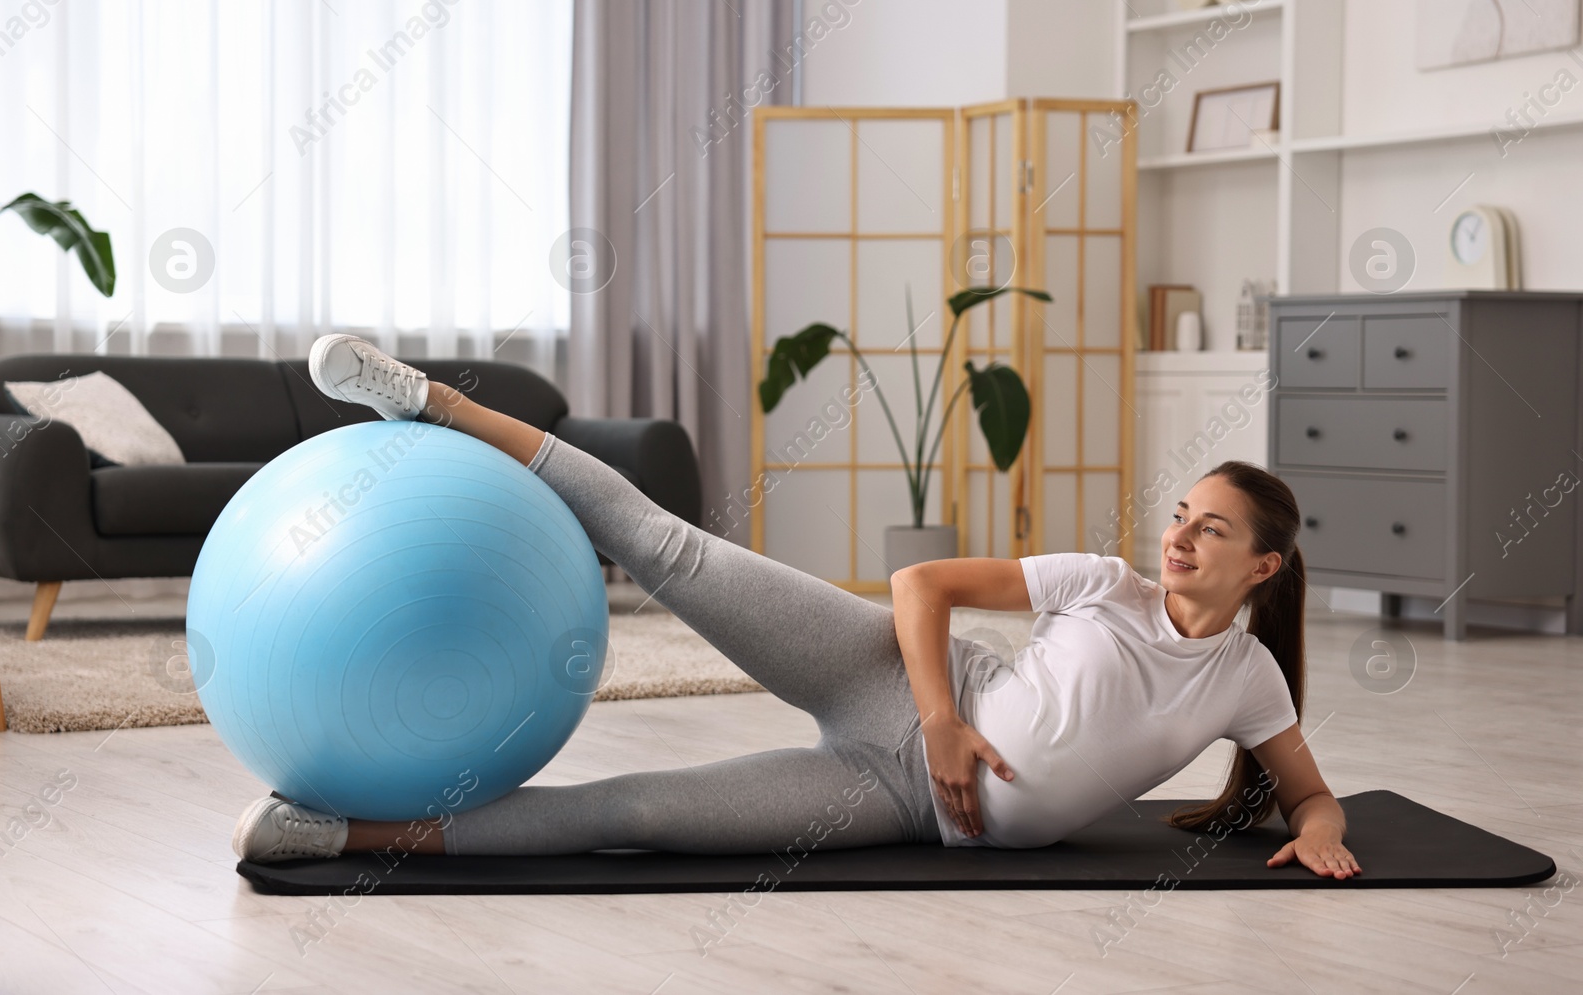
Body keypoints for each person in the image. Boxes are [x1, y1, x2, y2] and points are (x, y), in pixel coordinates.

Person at [232, 334, 1361, 880]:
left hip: (890, 802)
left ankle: (333, 832)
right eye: (1178, 513)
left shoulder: (1243, 679)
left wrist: (1318, 836)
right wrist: (943, 720)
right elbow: (920, 585)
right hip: (888, 679)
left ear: (1262, 567)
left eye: (1209, 529)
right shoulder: (1101, 583)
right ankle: (423, 397)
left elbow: (1312, 797)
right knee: (664, 543)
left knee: (635, 811)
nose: (1176, 536)